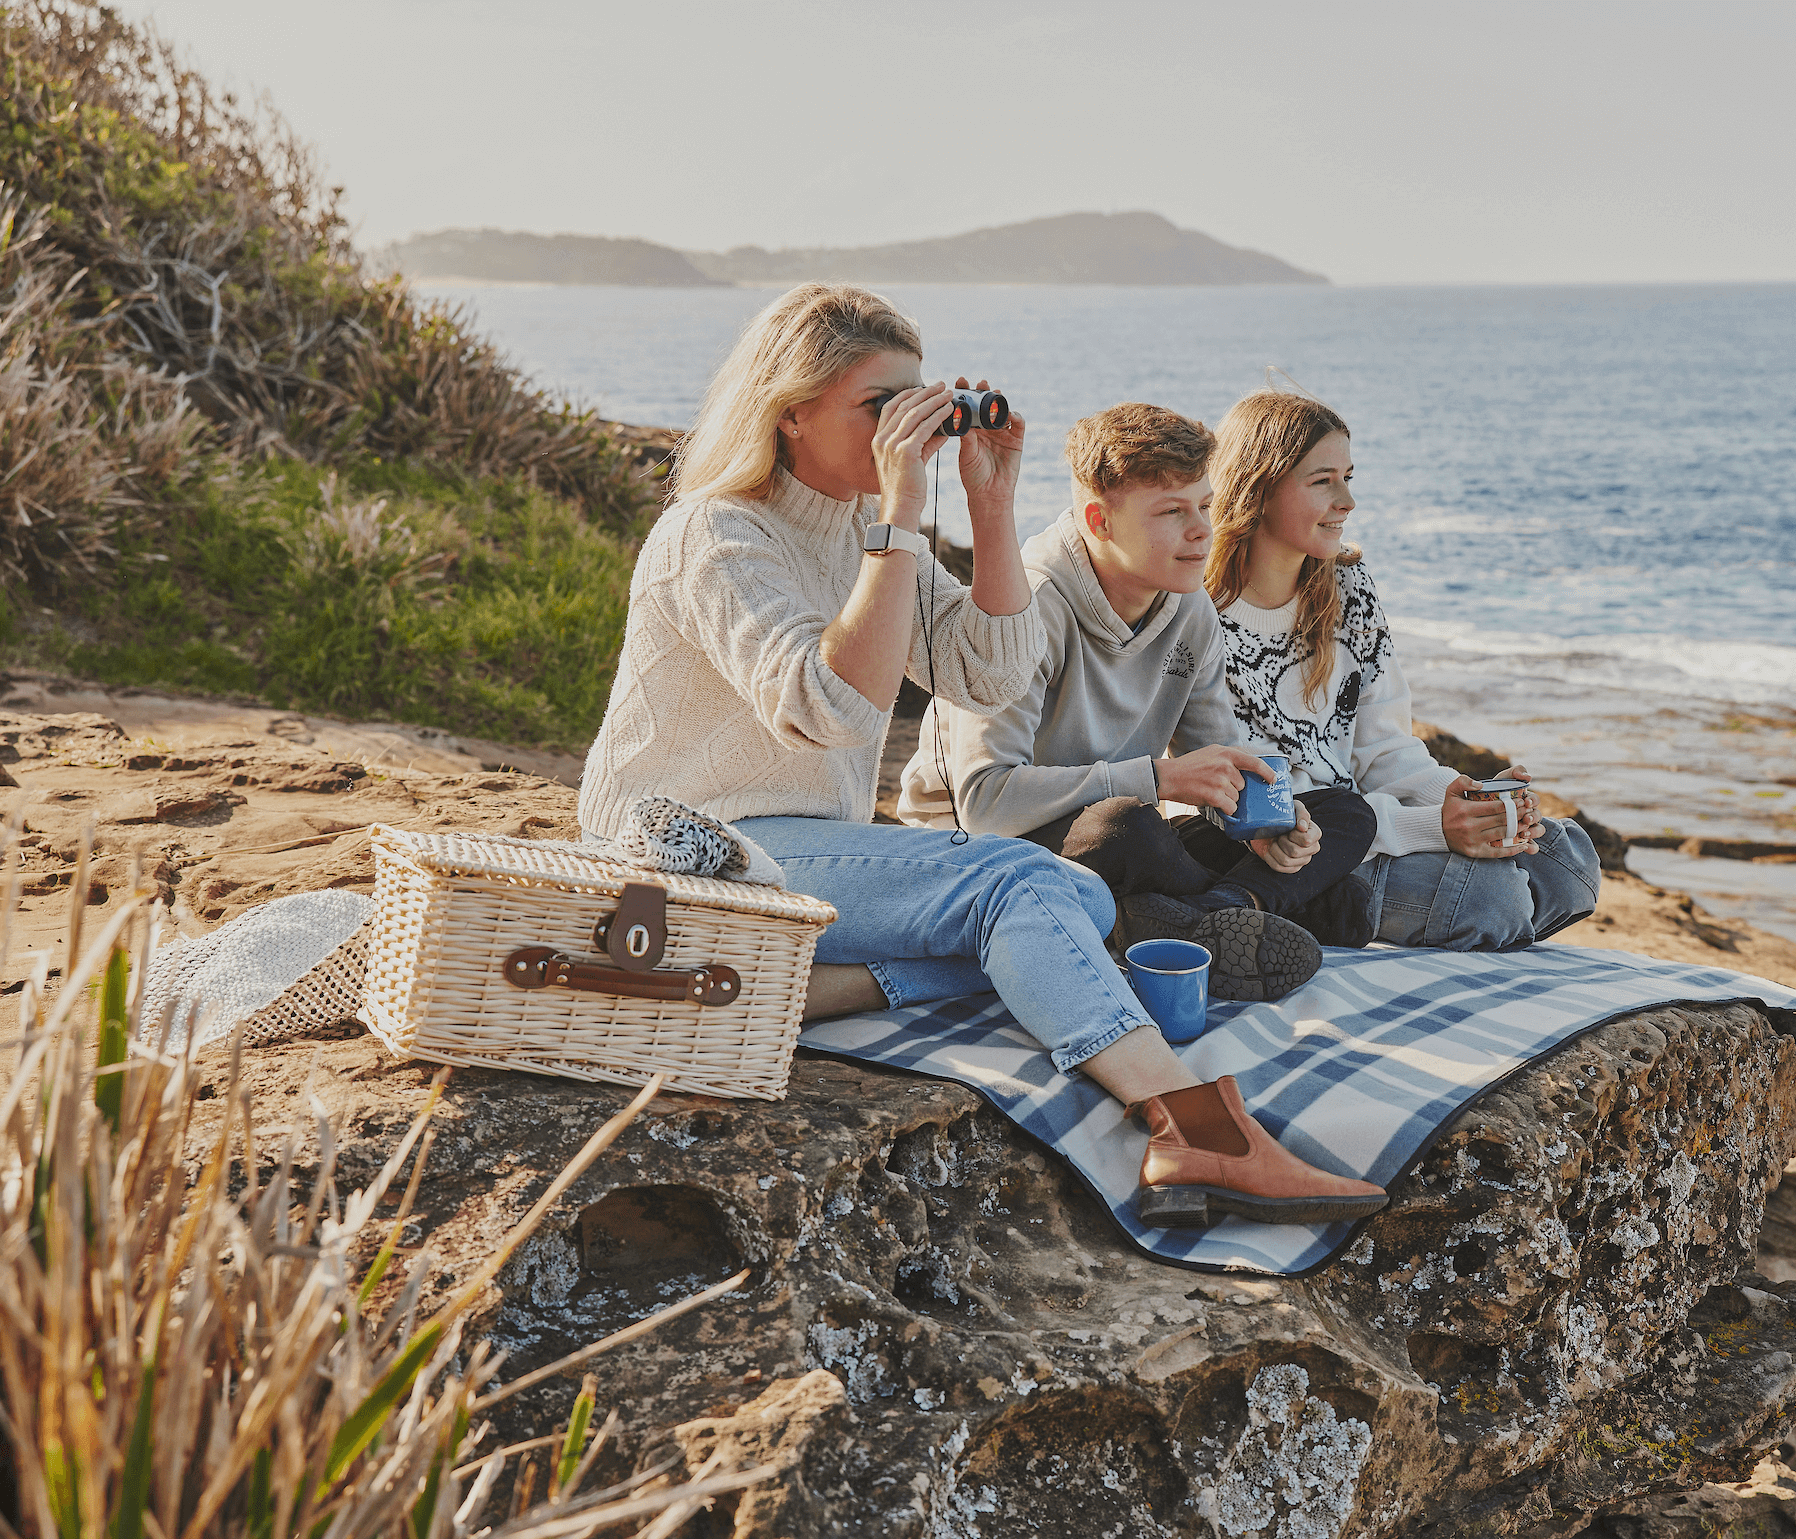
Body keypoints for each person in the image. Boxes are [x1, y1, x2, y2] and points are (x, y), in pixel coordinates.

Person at [577, 288, 1380, 1227]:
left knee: (1079, 900)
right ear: (790, 411)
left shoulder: (861, 534)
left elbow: (992, 671)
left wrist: (990, 502)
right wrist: (900, 513)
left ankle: (790, 990)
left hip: (791, 851)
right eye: (879, 407)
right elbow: (828, 709)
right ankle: (1189, 1121)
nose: (906, 428)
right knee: (1014, 885)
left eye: (920, 401)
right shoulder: (715, 534)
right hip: (688, 852)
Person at [897, 403, 1381, 998]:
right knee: (1125, 826)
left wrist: (1269, 823)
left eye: (1205, 506)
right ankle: (1243, 914)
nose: (1202, 531)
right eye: (1172, 512)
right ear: (1100, 521)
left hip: (1121, 833)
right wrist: (1158, 779)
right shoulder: (1025, 607)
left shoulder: (1189, 605)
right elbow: (985, 804)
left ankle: (1223, 909)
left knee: (1346, 813)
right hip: (984, 852)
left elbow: (1219, 761)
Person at [1205, 389, 1601, 950]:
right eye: (1322, 481)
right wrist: (1429, 828)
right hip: (1293, 845)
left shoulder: (1347, 589)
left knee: (1570, 861)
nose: (1347, 500)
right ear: (1258, 488)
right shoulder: (1203, 619)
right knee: (1494, 899)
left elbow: (1386, 749)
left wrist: (1467, 799)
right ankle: (1313, 911)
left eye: (1348, 477)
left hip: (1367, 820)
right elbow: (1257, 804)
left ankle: (1373, 913)